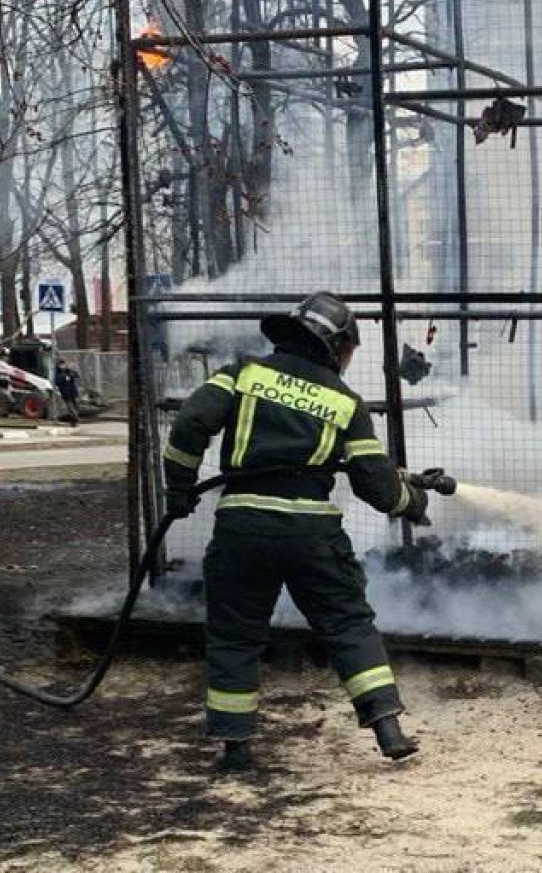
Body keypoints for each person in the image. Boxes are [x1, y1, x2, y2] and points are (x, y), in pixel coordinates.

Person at [161, 292, 432, 774]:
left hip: (243, 527)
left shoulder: (243, 373)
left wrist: (179, 488)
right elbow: (375, 483)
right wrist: (412, 503)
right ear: (336, 345)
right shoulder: (344, 402)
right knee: (348, 626)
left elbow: (190, 423)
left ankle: (236, 748)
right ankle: (388, 730)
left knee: (235, 636)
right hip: (312, 534)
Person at [52, 358, 81, 425]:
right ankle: (75, 418)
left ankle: (73, 421)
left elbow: (76, 375)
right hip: (65, 393)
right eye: (61, 365)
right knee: (70, 407)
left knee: (75, 407)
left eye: (64, 364)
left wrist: (71, 374)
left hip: (72, 392)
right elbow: (57, 381)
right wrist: (65, 378)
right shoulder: (58, 373)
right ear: (59, 365)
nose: (63, 366)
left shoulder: (68, 371)